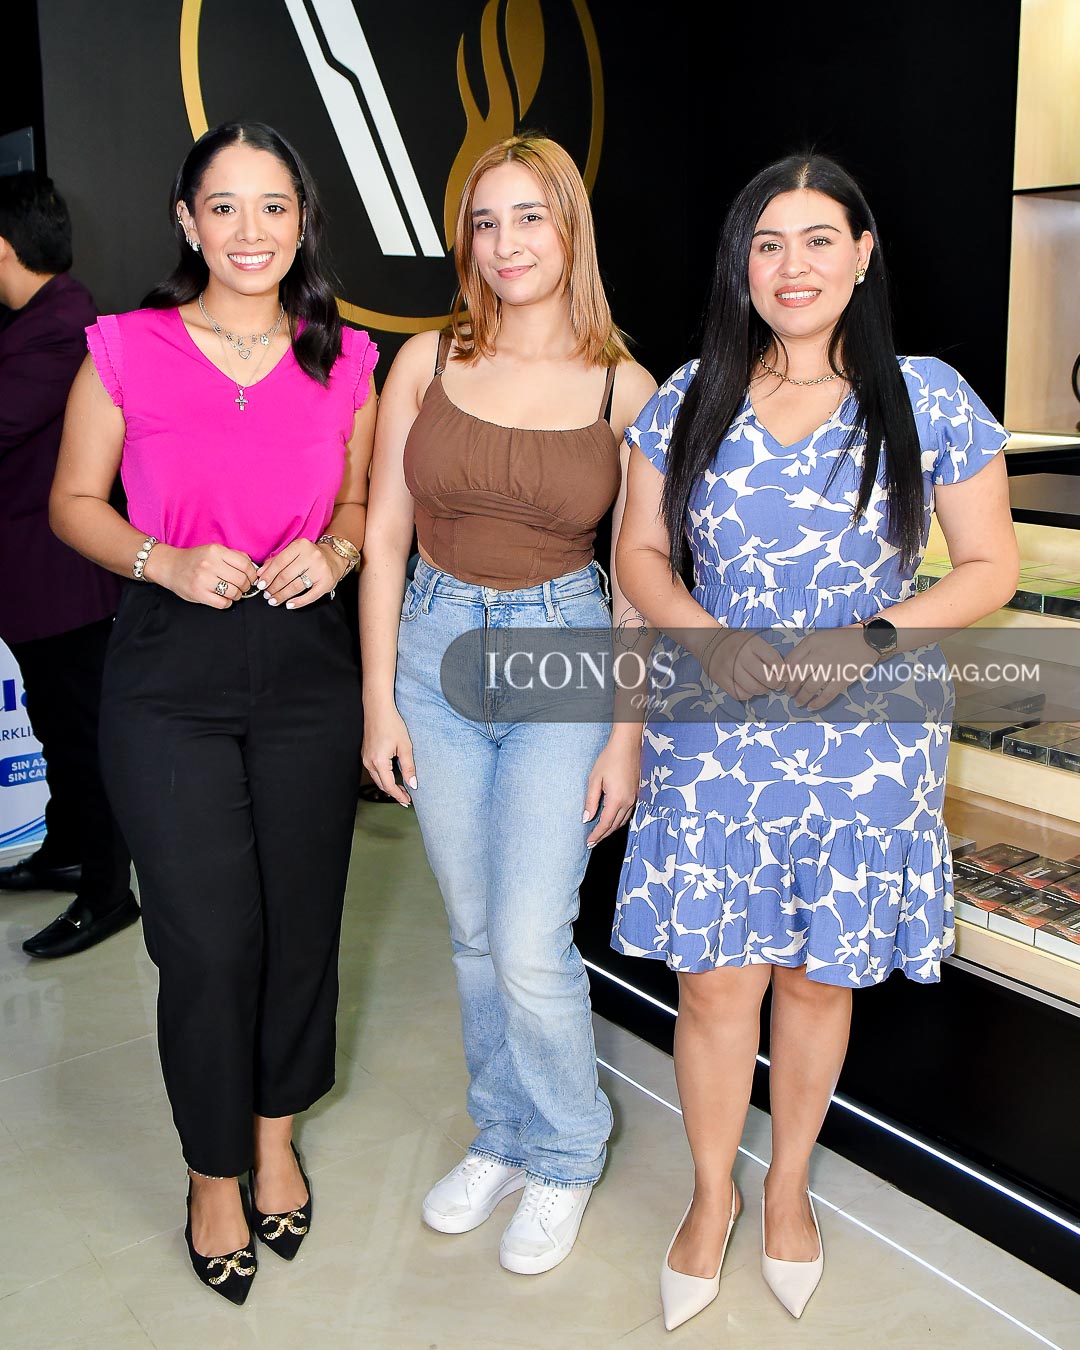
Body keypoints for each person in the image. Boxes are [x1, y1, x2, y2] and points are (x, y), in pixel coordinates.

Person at [610, 154, 1018, 1328]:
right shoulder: (689, 393)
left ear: (862, 254)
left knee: (816, 976)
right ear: (742, 263)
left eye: (818, 238)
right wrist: (709, 639)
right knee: (714, 983)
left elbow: (989, 565)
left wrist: (867, 639)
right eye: (769, 242)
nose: (793, 265)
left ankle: (786, 1190)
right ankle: (709, 1196)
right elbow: (639, 553)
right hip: (716, 725)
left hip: (865, 732)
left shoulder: (928, 395)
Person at [49, 121, 378, 1304]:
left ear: (304, 222)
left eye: (273, 206)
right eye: (224, 206)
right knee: (203, 937)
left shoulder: (346, 357)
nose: (251, 231)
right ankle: (210, 1170)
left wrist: (336, 554)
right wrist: (163, 559)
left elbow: (357, 504)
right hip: (167, 670)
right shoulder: (124, 349)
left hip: (307, 671)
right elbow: (73, 501)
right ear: (188, 221)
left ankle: (275, 1134)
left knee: (300, 923)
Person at [360, 133, 655, 1275]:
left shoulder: (627, 388)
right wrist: (379, 701)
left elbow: (637, 579)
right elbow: (385, 538)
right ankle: (505, 1131)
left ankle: (568, 1151)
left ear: (570, 228)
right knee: (475, 932)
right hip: (432, 651)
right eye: (485, 222)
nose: (505, 243)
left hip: (562, 654)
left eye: (529, 217)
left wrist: (625, 739)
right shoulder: (426, 362)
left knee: (532, 940)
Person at [0, 172, 137, 957]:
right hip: (34, 580)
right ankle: (67, 849)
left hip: (66, 580)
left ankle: (108, 893)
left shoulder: (61, 327)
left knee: (86, 739)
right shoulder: (35, 322)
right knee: (58, 729)